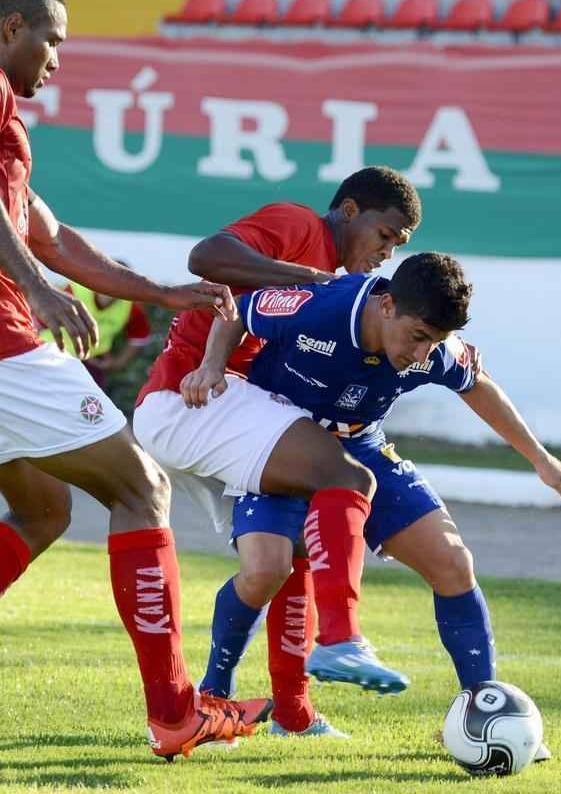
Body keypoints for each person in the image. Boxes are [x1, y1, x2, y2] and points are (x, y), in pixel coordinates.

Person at [0, 0, 272, 761]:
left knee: (42, 510)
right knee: (140, 489)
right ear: (10, 27)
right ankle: (175, 714)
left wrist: (159, 291)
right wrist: (35, 289)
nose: (56, 59)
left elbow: (53, 239)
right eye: (51, 40)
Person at [180, 252, 561, 756]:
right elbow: (239, 312)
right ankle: (213, 699)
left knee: (453, 562)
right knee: (266, 571)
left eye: (434, 342)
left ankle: (485, 710)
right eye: (417, 337)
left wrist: (542, 461)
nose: (422, 354)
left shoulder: (434, 349)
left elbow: (477, 385)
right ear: (388, 304)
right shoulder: (324, 308)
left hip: (362, 448)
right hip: (279, 442)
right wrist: (211, 367)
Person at [134, 167, 422, 737]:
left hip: (225, 410)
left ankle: (264, 710)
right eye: (385, 235)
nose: (387, 252)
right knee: (345, 480)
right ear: (349, 211)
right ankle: (340, 640)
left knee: (279, 560)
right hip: (192, 400)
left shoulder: (344, 290)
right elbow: (206, 256)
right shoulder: (298, 225)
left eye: (398, 244)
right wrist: (307, 278)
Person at [39, 262, 152, 391]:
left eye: (121, 283)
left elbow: (139, 337)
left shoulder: (131, 307)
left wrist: (117, 363)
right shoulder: (74, 290)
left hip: (92, 363)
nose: (113, 287)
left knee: (89, 401)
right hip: (54, 353)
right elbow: (41, 320)